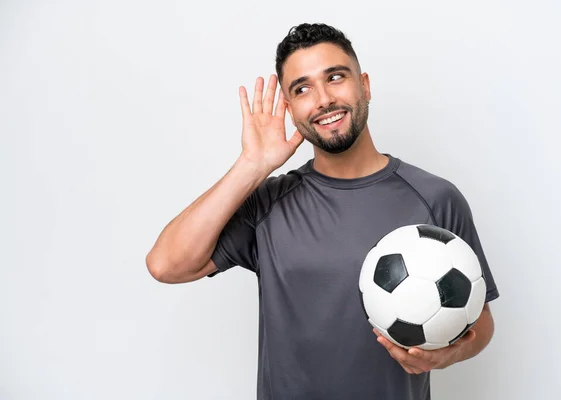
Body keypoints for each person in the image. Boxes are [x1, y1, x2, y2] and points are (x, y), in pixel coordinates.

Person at [146, 22, 499, 400]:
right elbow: (167, 264)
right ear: (290, 108)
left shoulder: (435, 198)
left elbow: (481, 324)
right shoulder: (268, 203)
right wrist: (252, 166)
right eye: (302, 88)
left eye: (335, 77)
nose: (323, 99)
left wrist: (445, 356)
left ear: (364, 85)